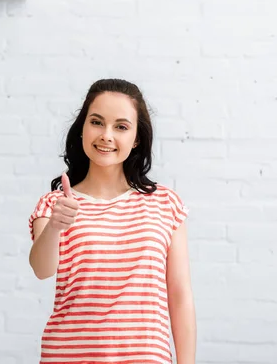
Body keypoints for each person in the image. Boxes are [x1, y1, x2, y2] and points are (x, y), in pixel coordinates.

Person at [28, 79, 196, 364]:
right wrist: (56, 224)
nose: (106, 135)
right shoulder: (55, 204)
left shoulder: (166, 204)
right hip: (68, 356)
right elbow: (42, 270)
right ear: (82, 128)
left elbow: (179, 294)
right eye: (97, 122)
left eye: (121, 126)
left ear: (137, 138)